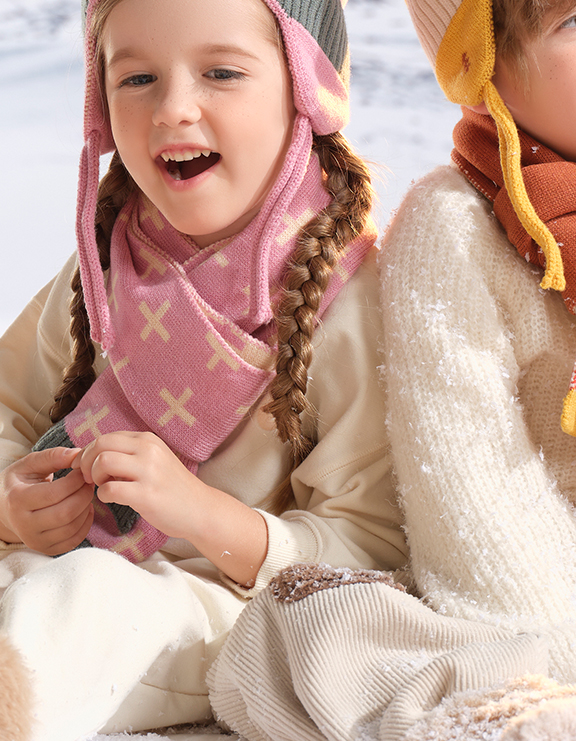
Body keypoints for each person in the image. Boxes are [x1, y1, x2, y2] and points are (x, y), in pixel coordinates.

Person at [207, 0, 576, 739]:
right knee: (314, 621)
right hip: (528, 621)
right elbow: (470, 483)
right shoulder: (456, 227)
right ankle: (559, 719)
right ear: (482, 64)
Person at [0, 0, 407, 737]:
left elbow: (369, 548)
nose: (172, 109)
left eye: (221, 72)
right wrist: (11, 501)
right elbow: (9, 406)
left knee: (83, 602)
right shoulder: (104, 260)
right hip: (41, 565)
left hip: (210, 607)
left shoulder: (351, 305)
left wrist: (200, 512)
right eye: (137, 79)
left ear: (309, 89)